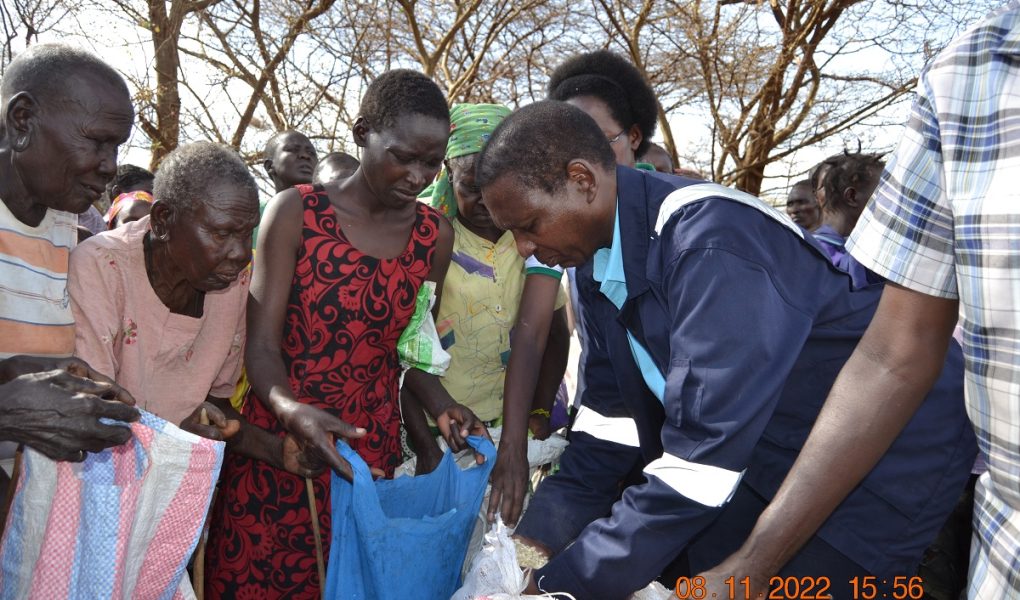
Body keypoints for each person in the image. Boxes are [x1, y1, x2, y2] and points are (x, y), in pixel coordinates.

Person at [476, 100, 975, 599]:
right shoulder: (591, 264)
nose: (523, 248)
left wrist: (557, 586)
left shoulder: (708, 240)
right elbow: (610, 424)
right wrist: (533, 546)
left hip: (878, 453)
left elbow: (702, 462)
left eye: (529, 225)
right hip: (758, 454)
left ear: (582, 180)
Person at [697, 5, 1020, 598]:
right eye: (880, 187)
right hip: (932, 501)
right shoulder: (970, 74)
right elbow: (891, 356)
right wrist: (755, 565)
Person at [204, 70, 486, 598]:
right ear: (362, 134)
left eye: (432, 163)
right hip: (282, 443)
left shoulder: (434, 237)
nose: (418, 176)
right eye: (403, 156)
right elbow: (261, 346)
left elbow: (410, 352)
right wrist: (291, 411)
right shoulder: (296, 213)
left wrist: (444, 405)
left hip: (365, 455)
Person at [68, 142, 320, 478]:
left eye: (246, 234)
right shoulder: (102, 265)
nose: (240, 253)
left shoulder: (234, 283)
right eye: (222, 233)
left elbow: (216, 406)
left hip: (168, 487)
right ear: (163, 220)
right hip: (91, 483)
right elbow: (94, 409)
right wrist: (175, 436)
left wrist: (276, 451)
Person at [511, 48, 663, 554]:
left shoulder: (685, 233)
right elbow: (610, 407)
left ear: (633, 137)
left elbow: (707, 447)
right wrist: (535, 541)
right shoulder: (570, 242)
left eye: (599, 141)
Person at [403, 104, 569, 527]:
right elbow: (404, 348)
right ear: (448, 175)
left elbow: (554, 335)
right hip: (438, 429)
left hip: (509, 431)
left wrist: (538, 412)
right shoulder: (429, 240)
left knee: (498, 542)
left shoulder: (531, 241)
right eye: (470, 187)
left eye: (496, 185)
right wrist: (424, 441)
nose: (485, 200)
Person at [0, 44, 138, 464]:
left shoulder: (63, 220)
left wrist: (33, 375)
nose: (110, 166)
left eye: (116, 147)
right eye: (97, 141)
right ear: (22, 120)